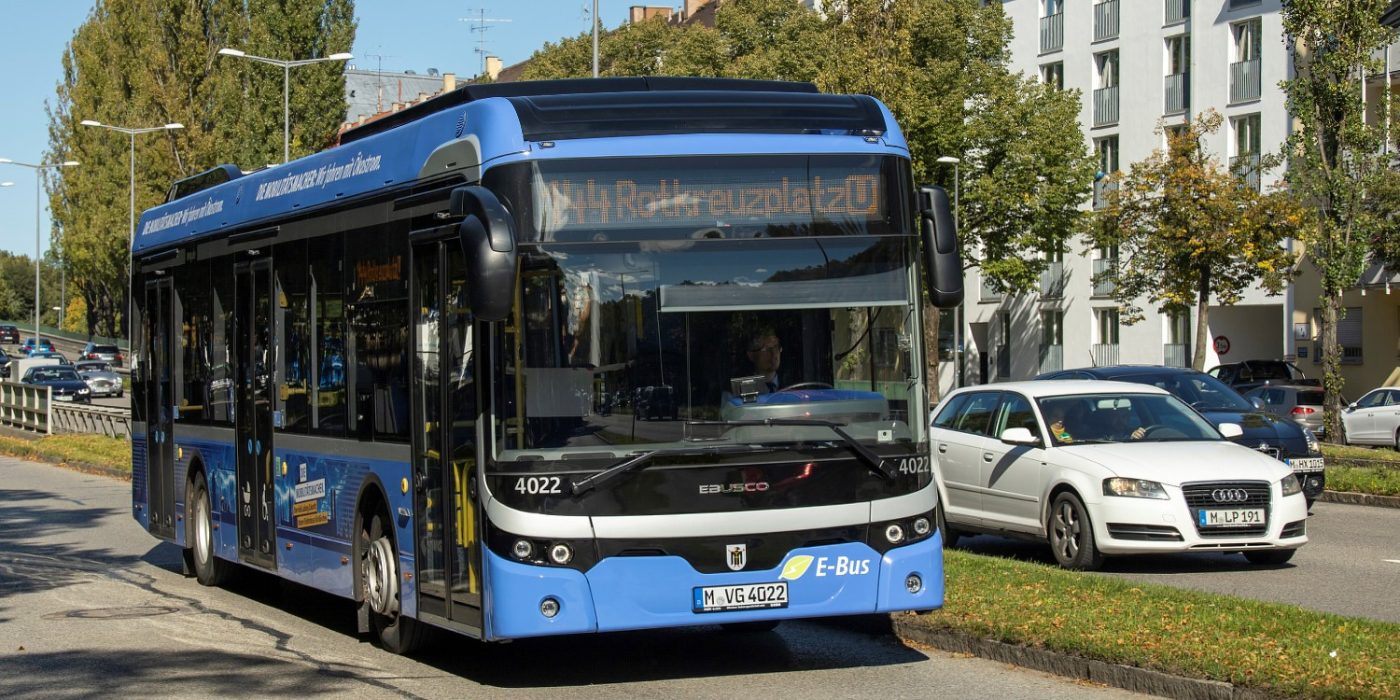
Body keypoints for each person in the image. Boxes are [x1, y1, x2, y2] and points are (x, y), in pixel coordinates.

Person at [745, 329, 783, 393]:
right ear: (751, 355)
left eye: (776, 347)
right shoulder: (739, 392)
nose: (773, 353)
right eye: (765, 349)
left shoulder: (796, 386)